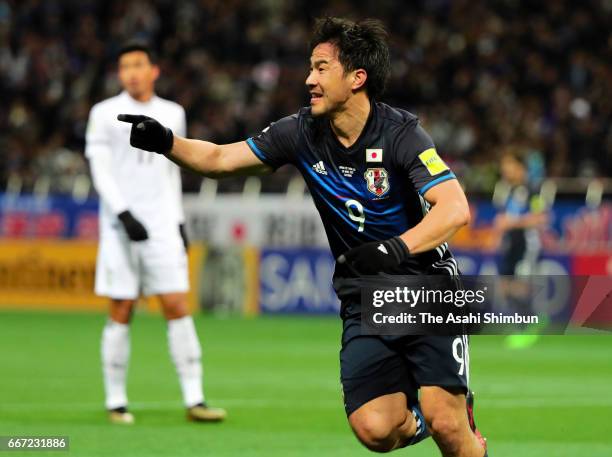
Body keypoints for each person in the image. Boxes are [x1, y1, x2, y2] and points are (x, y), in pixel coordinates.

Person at [118, 18, 487, 456]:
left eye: (321, 67)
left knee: (450, 428)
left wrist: (395, 248)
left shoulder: (402, 134)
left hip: (427, 290)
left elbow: (455, 207)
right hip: (365, 298)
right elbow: (219, 159)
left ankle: (452, 419)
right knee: (375, 430)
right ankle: (428, 417)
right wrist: (166, 142)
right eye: (310, 68)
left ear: (357, 78)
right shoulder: (299, 133)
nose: (309, 79)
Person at [85, 42, 226, 424]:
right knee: (122, 308)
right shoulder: (103, 113)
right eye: (124, 66)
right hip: (120, 226)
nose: (131, 72)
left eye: (138, 64)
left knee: (177, 305)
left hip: (162, 222)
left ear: (154, 71)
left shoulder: (172, 113)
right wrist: (123, 213)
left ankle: (195, 399)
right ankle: (116, 401)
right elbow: (100, 168)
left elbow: (171, 172)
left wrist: (178, 221)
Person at [494, 151, 549, 349]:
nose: (505, 170)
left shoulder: (532, 190)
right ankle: (522, 325)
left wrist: (511, 223)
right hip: (511, 246)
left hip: (527, 245)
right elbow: (504, 220)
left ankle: (528, 326)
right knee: (505, 286)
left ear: (520, 168)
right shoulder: (508, 191)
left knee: (519, 285)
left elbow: (541, 217)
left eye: (509, 165)